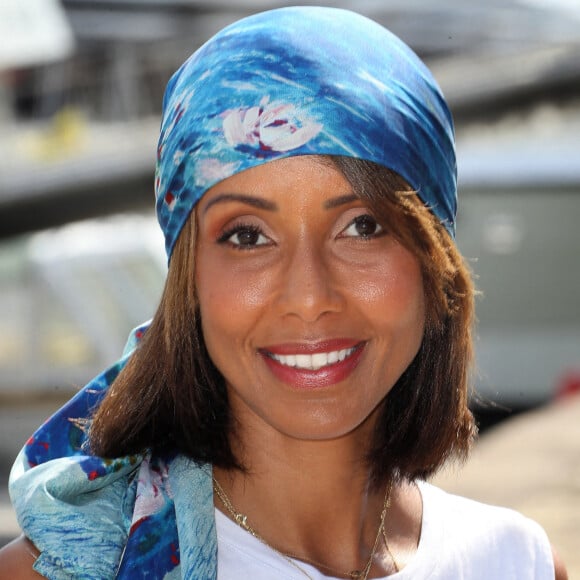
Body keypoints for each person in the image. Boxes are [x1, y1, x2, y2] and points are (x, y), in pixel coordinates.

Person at [0, 6, 568, 579]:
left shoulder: (518, 562)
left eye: (362, 227)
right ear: (189, 282)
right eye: (248, 236)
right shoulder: (62, 572)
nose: (309, 295)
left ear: (433, 260)